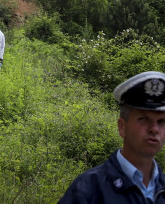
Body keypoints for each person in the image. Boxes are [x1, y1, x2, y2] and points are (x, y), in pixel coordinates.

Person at [59, 71, 165, 203]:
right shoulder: (87, 190)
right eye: (143, 119)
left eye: (161, 122)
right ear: (122, 127)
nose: (154, 129)